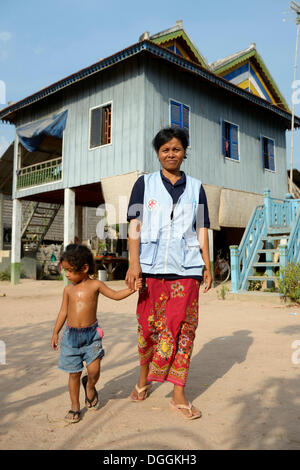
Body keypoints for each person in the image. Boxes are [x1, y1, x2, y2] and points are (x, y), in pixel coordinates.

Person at [126, 127, 212, 420]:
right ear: (158, 153)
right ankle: (143, 379)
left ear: (185, 151)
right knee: (147, 328)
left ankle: (178, 394)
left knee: (184, 330)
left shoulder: (197, 187)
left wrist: (207, 265)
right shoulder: (144, 183)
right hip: (150, 268)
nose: (171, 154)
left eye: (176, 149)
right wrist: (133, 263)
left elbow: (201, 228)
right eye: (165, 150)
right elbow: (134, 224)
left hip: (187, 268)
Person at [51, 243, 141, 423]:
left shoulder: (95, 285)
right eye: (65, 271)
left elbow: (115, 295)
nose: (67, 274)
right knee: (74, 373)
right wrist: (55, 332)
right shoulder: (68, 290)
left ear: (84, 268)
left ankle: (90, 387)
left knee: (94, 370)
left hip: (91, 336)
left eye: (70, 270)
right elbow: (63, 312)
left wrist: (132, 289)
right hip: (71, 337)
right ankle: (75, 406)